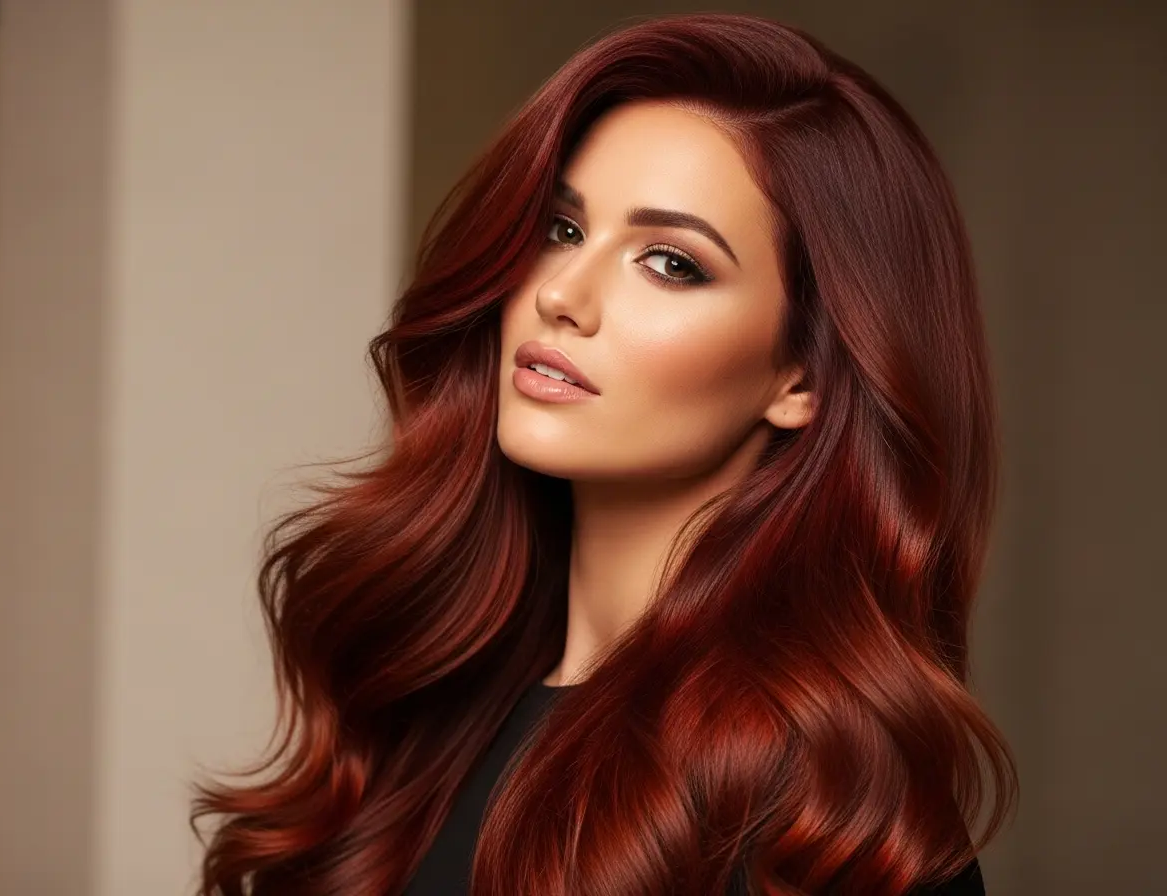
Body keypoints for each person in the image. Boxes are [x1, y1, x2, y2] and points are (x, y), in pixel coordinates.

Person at [192, 12, 1017, 895]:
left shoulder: (827, 827)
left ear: (800, 377)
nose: (563, 294)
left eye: (670, 263)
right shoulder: (416, 718)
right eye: (562, 229)